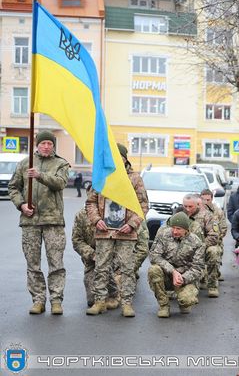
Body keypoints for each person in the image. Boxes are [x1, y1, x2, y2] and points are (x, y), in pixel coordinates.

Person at [8, 130, 70, 315]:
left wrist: (40, 176)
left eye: (49, 144)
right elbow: (13, 188)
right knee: (32, 264)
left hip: (53, 222)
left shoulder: (61, 163)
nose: (46, 146)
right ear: (37, 145)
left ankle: (56, 300)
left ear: (53, 146)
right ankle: (38, 300)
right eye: (43, 143)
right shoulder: (24, 164)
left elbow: (60, 183)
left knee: (56, 263)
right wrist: (21, 204)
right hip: (30, 221)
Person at [85, 143, 148, 317]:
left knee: (127, 269)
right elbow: (90, 202)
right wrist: (96, 220)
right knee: (101, 266)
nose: (116, 160)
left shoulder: (134, 179)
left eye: (119, 157)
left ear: (125, 158)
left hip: (126, 233)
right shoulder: (101, 177)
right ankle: (100, 301)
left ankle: (126, 303)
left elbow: (143, 205)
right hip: (104, 231)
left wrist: (132, 224)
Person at [73, 198, 149, 309]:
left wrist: (128, 269)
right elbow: (77, 240)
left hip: (118, 264)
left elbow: (142, 249)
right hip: (95, 261)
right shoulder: (81, 215)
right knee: (92, 300)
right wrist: (93, 255)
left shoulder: (126, 213)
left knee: (119, 288)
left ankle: (119, 293)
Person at [148, 212, 205, 318]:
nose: (174, 231)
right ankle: (163, 305)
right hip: (167, 275)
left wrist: (182, 278)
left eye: (178, 229)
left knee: (186, 300)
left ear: (186, 229)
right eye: (173, 228)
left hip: (186, 278)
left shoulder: (196, 242)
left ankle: (183, 302)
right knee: (153, 270)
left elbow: (198, 267)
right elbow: (154, 256)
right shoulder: (163, 235)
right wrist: (173, 271)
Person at [200, 189, 227, 297]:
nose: (205, 202)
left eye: (208, 199)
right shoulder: (197, 210)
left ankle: (212, 281)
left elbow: (223, 228)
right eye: (203, 199)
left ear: (212, 199)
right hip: (198, 242)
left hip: (214, 241)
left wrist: (214, 239)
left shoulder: (217, 211)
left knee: (213, 252)